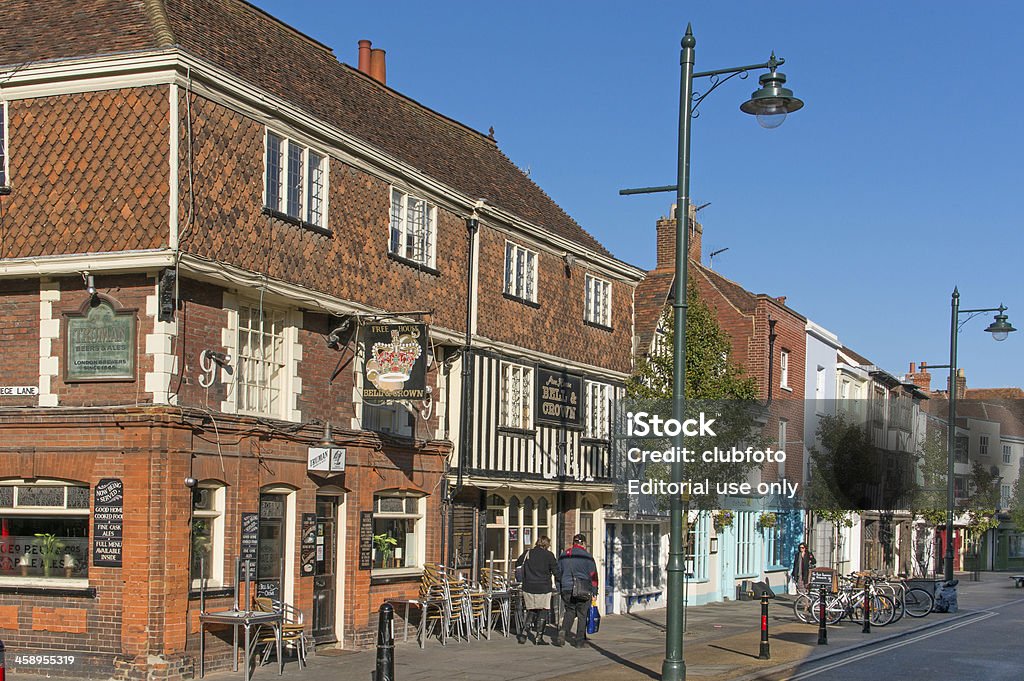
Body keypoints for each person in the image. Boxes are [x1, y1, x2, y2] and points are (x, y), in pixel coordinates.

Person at [555, 533, 598, 648]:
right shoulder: (587, 557)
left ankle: (563, 631)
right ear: (583, 543)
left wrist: (559, 588)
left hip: (566, 588)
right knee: (582, 615)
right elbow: (593, 576)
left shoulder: (564, 555)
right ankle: (579, 641)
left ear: (573, 543)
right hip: (582, 589)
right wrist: (594, 591)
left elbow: (557, 574)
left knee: (570, 611)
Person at [515, 536, 558, 645]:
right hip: (544, 587)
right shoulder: (549, 555)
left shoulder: (527, 553)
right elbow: (556, 571)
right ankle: (539, 637)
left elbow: (518, 564)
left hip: (528, 586)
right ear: (547, 545)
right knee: (543, 610)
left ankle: (524, 633)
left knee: (532, 610)